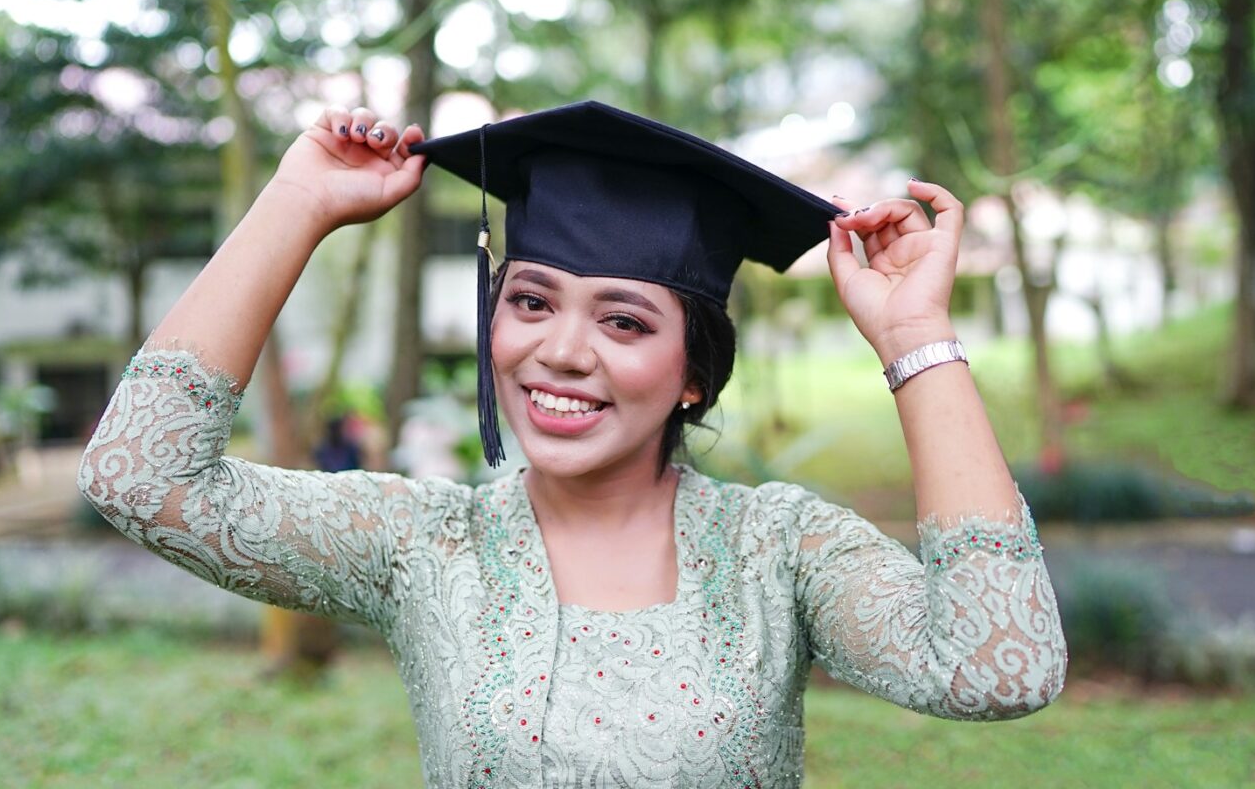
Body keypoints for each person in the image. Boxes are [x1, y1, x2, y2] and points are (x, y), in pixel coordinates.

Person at [77, 100, 1067, 788]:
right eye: (531, 301)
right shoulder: (422, 543)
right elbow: (137, 476)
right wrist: (297, 204)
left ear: (693, 371)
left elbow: (997, 667)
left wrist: (911, 340)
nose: (559, 351)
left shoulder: (780, 548)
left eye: (624, 322)